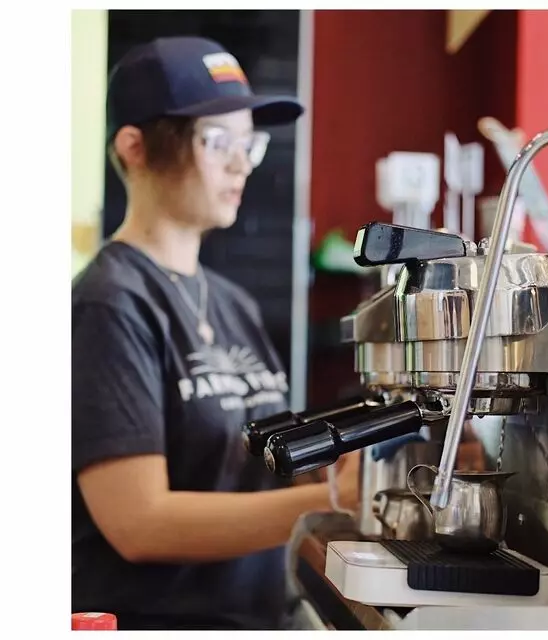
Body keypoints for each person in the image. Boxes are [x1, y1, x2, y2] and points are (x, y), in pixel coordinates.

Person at [72, 36, 360, 631]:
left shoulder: (233, 303)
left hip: (258, 614)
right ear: (134, 148)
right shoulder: (109, 303)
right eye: (217, 141)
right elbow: (139, 523)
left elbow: (254, 461)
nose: (241, 164)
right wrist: (333, 501)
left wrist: (351, 463)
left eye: (248, 143)